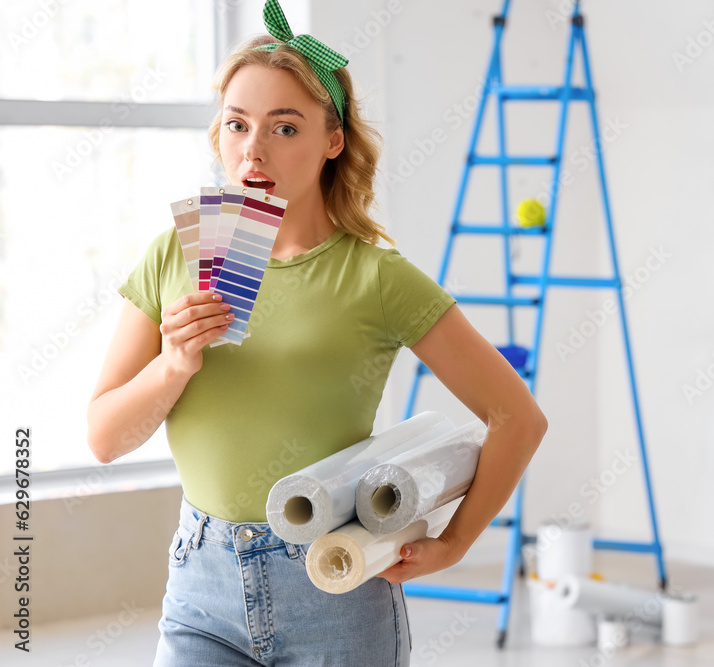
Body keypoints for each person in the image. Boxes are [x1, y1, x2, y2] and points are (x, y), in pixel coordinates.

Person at [86, 2, 547, 665]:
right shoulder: (176, 255)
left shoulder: (377, 276)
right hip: (201, 589)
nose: (253, 149)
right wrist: (174, 364)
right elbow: (104, 437)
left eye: (285, 127)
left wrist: (455, 543)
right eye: (238, 124)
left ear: (333, 140)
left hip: (337, 584)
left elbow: (517, 417)